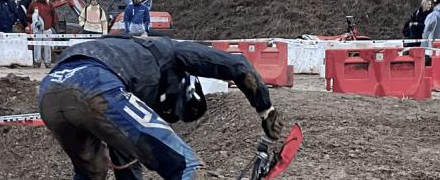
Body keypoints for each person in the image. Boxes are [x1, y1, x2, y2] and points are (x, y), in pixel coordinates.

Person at [38, 35, 283, 180]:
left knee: (92, 172)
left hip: (49, 90)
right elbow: (238, 65)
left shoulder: (133, 58)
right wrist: (266, 111)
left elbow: (126, 160)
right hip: (96, 81)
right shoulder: (171, 51)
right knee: (183, 164)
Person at [27, 0, 58, 68]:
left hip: (47, 28)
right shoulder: (33, 3)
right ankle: (37, 62)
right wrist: (34, 20)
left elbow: (54, 15)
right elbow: (28, 14)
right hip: (37, 29)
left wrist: (53, 25)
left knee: (47, 46)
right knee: (37, 46)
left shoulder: (49, 4)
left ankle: (48, 62)